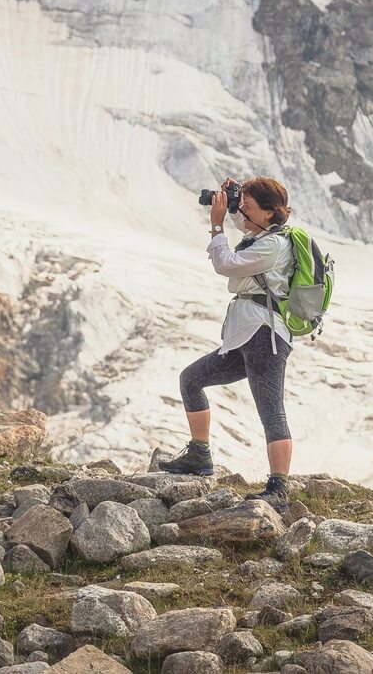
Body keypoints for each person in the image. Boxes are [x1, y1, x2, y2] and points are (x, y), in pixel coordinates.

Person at [159, 175, 296, 508]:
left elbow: (226, 265)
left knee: (271, 412)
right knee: (191, 380)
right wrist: (235, 202)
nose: (243, 216)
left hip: (265, 336)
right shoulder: (263, 233)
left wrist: (217, 226)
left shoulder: (274, 245)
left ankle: (279, 488)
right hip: (245, 335)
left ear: (270, 213)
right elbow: (247, 227)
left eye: (249, 209)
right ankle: (199, 456)